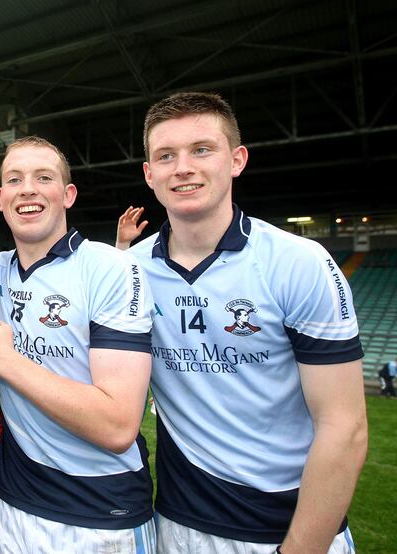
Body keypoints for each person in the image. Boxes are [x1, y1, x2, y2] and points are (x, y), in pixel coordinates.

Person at [117, 92, 367, 553]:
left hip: (288, 532)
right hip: (177, 525)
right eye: (166, 156)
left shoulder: (298, 262)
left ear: (237, 159)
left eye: (202, 150)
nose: (183, 167)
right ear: (150, 174)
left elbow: (345, 426)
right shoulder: (129, 272)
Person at [0, 136, 157, 552]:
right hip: (14, 503)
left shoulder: (110, 268)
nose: (28, 189)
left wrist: (6, 361)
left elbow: (118, 425)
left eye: (43, 177)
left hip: (101, 514)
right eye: (14, 179)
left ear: (67, 195)